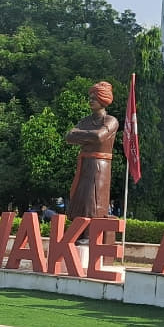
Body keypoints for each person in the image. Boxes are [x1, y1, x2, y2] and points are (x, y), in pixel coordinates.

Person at [65, 81, 119, 222]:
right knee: (80, 197)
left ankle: (90, 235)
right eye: (90, 97)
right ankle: (79, 232)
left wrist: (80, 135)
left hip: (99, 165)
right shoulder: (85, 121)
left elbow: (99, 136)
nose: (91, 100)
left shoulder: (111, 120)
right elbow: (69, 136)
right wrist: (88, 136)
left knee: (93, 199)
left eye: (94, 98)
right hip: (84, 164)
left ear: (103, 99)